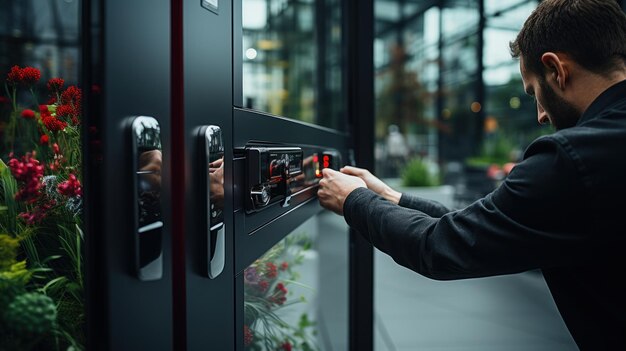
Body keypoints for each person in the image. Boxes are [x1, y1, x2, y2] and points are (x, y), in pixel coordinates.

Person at [317, 0, 626, 349]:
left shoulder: (572, 160)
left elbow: (439, 246)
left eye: (534, 93)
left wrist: (353, 200)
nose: (541, 114)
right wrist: (391, 197)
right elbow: (486, 226)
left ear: (556, 69)